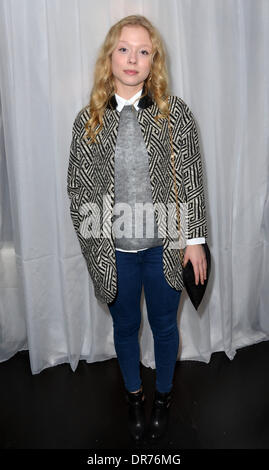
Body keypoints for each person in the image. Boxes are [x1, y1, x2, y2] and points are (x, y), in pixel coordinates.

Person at [67, 14, 208, 442]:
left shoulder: (175, 114)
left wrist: (195, 240)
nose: (133, 58)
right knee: (125, 328)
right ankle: (133, 398)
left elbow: (192, 176)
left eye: (143, 51)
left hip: (164, 247)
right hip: (115, 254)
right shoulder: (87, 120)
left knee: (166, 327)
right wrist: (94, 249)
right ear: (110, 56)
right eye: (124, 49)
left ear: (154, 61)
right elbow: (76, 190)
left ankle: (162, 398)